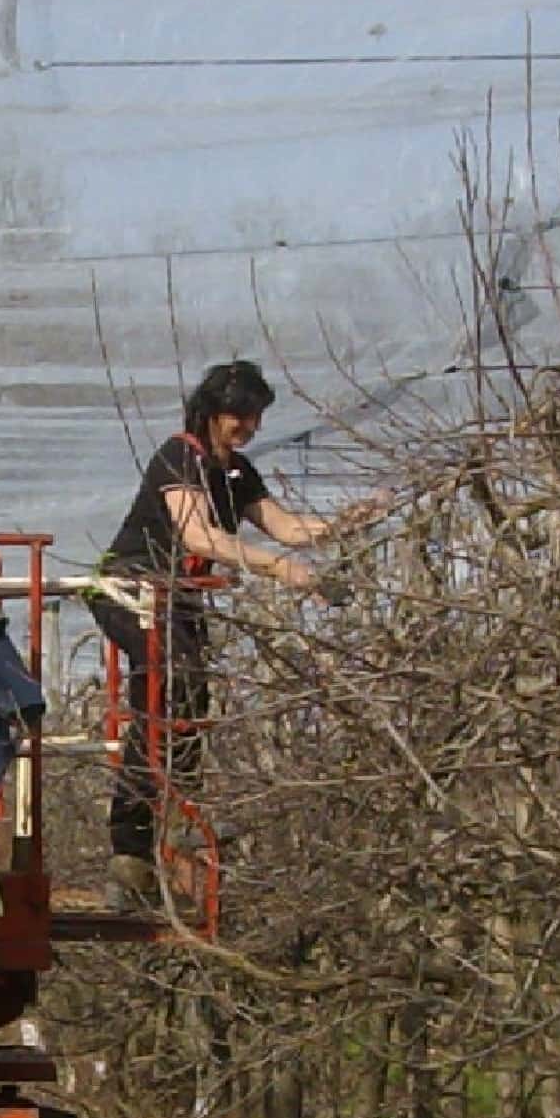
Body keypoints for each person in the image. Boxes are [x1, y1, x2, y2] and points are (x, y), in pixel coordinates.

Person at [92, 359, 347, 889]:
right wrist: (280, 569)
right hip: (131, 587)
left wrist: (350, 520)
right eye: (240, 415)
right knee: (170, 686)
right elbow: (200, 538)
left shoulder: (235, 472)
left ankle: (180, 819)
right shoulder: (180, 456)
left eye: (255, 416)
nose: (249, 427)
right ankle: (131, 840)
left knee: (192, 699)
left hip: (178, 597)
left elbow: (287, 528)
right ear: (213, 411)